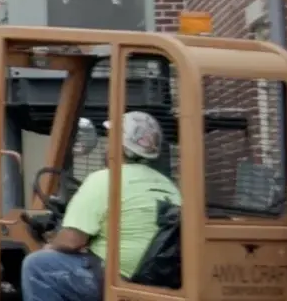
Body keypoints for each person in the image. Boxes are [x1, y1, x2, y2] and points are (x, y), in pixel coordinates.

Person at [21, 111, 179, 301]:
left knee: (37, 266)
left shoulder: (105, 179)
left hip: (116, 276)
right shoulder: (169, 187)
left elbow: (72, 240)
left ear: (120, 146)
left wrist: (51, 245)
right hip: (160, 279)